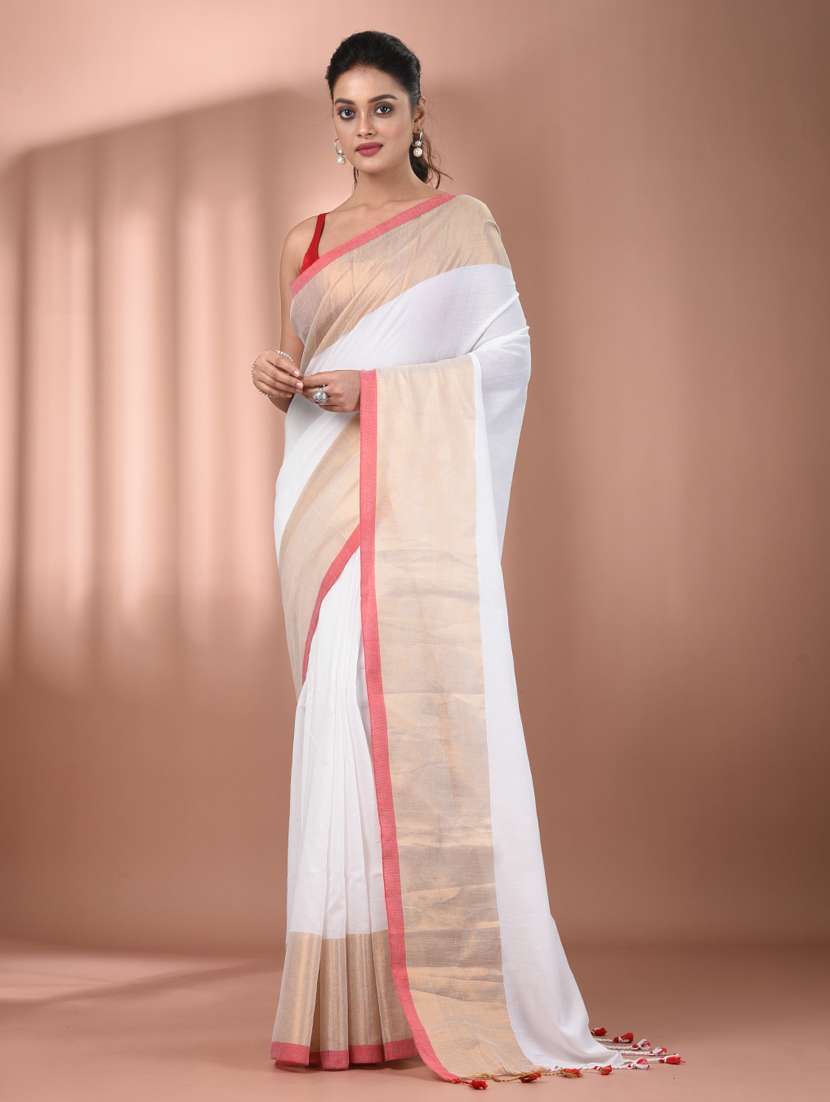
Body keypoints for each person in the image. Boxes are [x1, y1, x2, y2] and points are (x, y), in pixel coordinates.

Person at [250, 30, 683, 1088]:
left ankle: (434, 981)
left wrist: (378, 394)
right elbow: (310, 367)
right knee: (336, 723)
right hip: (321, 506)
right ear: (331, 123)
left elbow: (506, 359)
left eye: (382, 107)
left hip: (409, 506)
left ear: (416, 115)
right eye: (346, 110)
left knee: (396, 719)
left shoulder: (462, 224)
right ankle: (342, 999)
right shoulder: (305, 238)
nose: (363, 128)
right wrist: (281, 378)